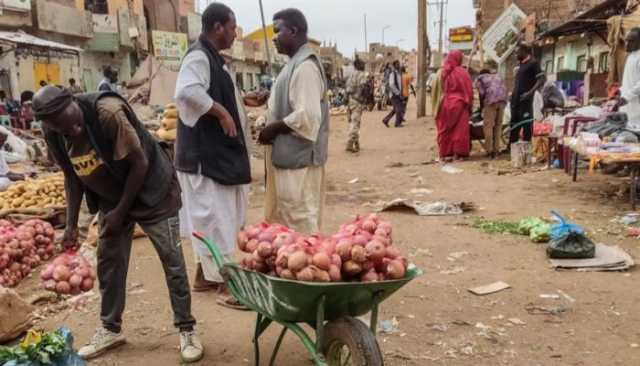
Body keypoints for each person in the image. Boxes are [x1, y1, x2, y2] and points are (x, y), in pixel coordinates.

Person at [33, 86, 203, 363]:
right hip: (111, 196)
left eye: (75, 123)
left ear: (73, 102)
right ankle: (110, 328)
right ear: (48, 124)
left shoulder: (108, 112)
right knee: (109, 262)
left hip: (153, 190)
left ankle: (187, 328)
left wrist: (121, 210)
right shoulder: (53, 132)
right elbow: (72, 176)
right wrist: (71, 225)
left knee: (172, 260)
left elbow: (140, 162)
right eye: (64, 129)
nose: (73, 131)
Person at [174, 3, 258, 304]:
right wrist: (222, 112)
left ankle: (204, 276)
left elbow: (209, 92)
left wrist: (240, 101)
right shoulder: (198, 56)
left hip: (216, 158)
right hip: (205, 160)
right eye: (233, 27)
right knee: (216, 220)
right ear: (218, 27)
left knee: (216, 219)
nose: (236, 33)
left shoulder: (213, 59)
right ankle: (226, 284)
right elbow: (186, 92)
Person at [257, 8, 329, 234]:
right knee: (288, 223)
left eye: (278, 31)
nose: (274, 38)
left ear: (294, 31)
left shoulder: (305, 67)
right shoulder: (292, 65)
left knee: (302, 225)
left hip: (300, 164)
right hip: (289, 161)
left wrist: (273, 129)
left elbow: (307, 116)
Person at [433, 50, 473, 161]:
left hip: (446, 105)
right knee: (460, 131)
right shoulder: (463, 72)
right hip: (461, 104)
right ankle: (459, 154)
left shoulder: (443, 72)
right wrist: (469, 105)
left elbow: (437, 90)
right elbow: (469, 91)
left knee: (446, 129)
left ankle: (445, 152)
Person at [509, 44, 545, 147]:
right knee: (514, 123)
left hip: (525, 101)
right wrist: (512, 94)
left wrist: (529, 93)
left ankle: (526, 147)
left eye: (517, 52)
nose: (516, 54)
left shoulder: (533, 63)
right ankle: (512, 146)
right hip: (516, 100)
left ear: (525, 51)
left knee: (526, 124)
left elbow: (541, 80)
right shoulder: (521, 64)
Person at [475, 64, 507, 158]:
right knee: (498, 126)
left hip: (491, 101)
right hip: (503, 101)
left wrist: (481, 108)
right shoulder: (497, 77)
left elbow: (481, 94)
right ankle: (496, 150)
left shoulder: (480, 78)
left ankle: (489, 151)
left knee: (488, 126)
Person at [345, 58, 367, 153]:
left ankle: (356, 143)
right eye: (363, 64)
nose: (364, 66)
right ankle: (350, 143)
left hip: (351, 100)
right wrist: (363, 99)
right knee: (355, 123)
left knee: (354, 122)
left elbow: (347, 89)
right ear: (359, 65)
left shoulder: (351, 74)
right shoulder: (361, 75)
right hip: (357, 101)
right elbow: (363, 88)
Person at [620, 27, 640, 131]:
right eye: (626, 40)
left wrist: (626, 97)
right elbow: (629, 80)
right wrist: (620, 92)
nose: (627, 44)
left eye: (631, 41)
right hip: (627, 106)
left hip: (636, 106)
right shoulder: (631, 56)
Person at [382, 60, 405, 127]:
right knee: (398, 109)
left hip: (398, 94)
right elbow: (391, 85)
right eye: (397, 64)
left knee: (396, 109)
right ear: (394, 66)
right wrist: (398, 92)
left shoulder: (399, 74)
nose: (399, 65)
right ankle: (397, 123)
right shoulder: (393, 74)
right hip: (394, 94)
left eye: (399, 64)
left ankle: (386, 120)